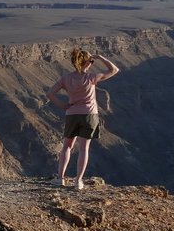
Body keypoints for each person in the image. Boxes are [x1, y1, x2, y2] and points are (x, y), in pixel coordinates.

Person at [47, 48, 120, 190]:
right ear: (87, 63)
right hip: (89, 115)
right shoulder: (91, 77)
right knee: (83, 149)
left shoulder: (66, 79)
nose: (92, 63)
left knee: (67, 146)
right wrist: (100, 57)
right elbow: (114, 70)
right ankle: (78, 181)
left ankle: (60, 178)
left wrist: (62, 105)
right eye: (91, 61)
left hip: (72, 114)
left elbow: (50, 93)